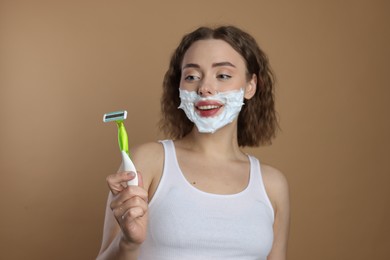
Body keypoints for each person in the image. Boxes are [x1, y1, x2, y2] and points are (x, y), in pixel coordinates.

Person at [97, 25, 290, 260]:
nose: (204, 88)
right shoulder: (147, 162)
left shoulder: (273, 184)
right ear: (179, 87)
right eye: (192, 77)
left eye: (223, 75)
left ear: (250, 86)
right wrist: (128, 242)